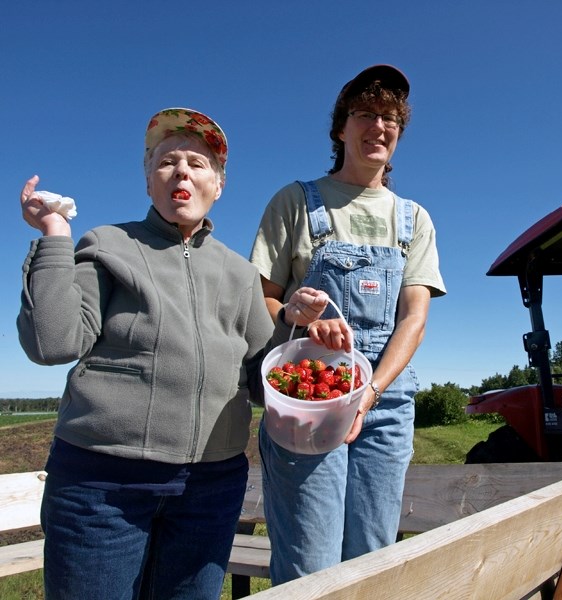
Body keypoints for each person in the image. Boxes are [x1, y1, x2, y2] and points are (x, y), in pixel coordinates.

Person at [16, 107, 327, 600]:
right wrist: (54, 235)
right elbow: (52, 342)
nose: (182, 170)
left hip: (211, 485)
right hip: (102, 483)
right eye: (167, 162)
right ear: (148, 182)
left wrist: (293, 322)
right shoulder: (108, 244)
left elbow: (260, 378)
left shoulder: (240, 274)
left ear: (218, 185)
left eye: (198, 163)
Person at [249, 64, 447, 584]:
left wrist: (370, 394)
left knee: (372, 558)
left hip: (384, 402)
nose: (378, 126)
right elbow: (263, 302)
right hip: (309, 400)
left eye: (389, 118)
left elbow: (414, 318)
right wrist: (297, 315)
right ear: (341, 129)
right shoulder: (295, 202)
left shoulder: (414, 219)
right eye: (365, 114)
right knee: (309, 562)